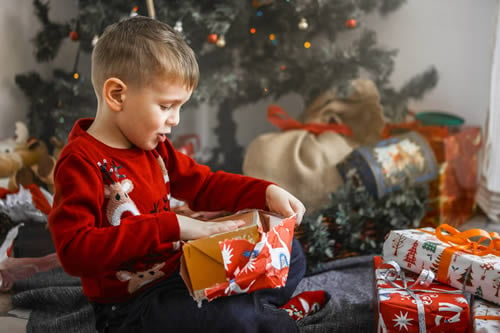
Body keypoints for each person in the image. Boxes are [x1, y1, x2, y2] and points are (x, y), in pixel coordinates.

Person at [48, 16, 327, 333]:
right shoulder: (81, 161)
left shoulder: (156, 149)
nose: (176, 120)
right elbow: (75, 252)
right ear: (117, 95)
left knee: (292, 255)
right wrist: (175, 225)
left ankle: (251, 311)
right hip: (132, 307)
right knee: (233, 319)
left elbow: (205, 184)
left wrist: (265, 192)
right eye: (167, 106)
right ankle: (264, 315)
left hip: (182, 274)